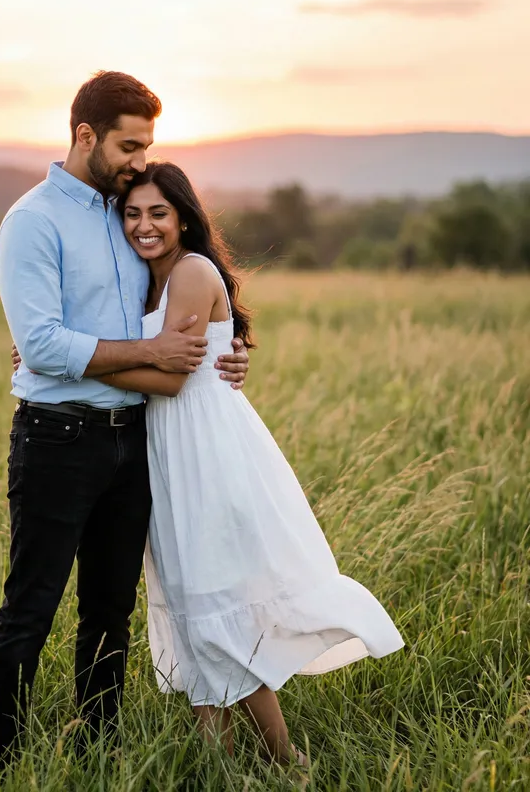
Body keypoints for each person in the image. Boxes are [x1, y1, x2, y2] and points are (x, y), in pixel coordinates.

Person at [93, 161, 405, 766]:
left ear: (184, 216)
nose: (144, 225)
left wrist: (67, 361)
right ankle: (218, 761)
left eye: (158, 212)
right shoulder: (146, 277)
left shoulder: (188, 271)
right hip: (170, 450)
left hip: (203, 451)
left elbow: (174, 379)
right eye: (132, 213)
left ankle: (286, 761)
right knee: (192, 606)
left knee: (214, 602)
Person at [0, 71, 250, 767]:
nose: (139, 160)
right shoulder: (33, 221)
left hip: (137, 437)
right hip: (57, 438)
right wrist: (145, 352)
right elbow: (42, 345)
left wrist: (232, 345)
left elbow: (176, 297)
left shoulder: (127, 212)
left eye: (147, 146)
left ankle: (98, 749)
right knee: (31, 604)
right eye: (130, 145)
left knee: (110, 612)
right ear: (85, 135)